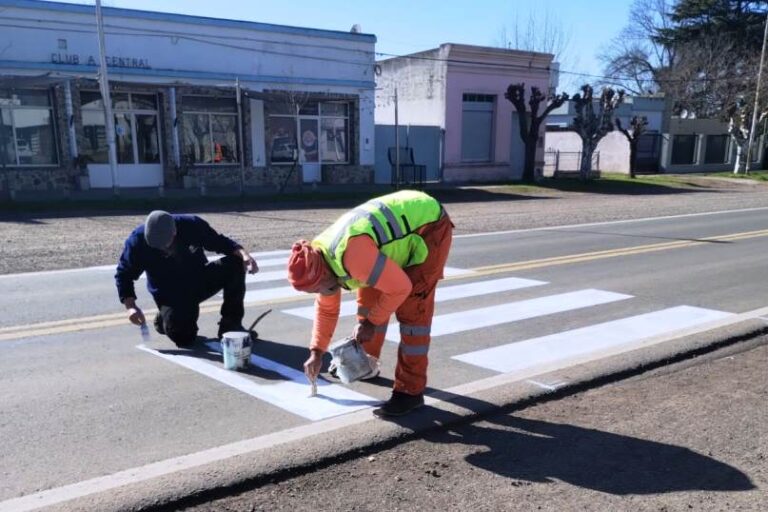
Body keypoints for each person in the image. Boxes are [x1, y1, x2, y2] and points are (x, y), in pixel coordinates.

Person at [287, 190, 453, 416]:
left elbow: (400, 288)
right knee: (368, 302)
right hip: (381, 243)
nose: (321, 293)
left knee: (413, 311)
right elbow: (327, 309)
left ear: (323, 274)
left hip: (429, 226)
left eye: (318, 288)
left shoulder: (352, 255)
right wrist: (316, 352)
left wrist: (372, 322)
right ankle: (367, 364)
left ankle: (410, 392)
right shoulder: (320, 259)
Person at [115, 211, 258, 347]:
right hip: (169, 293)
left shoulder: (192, 225)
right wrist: (131, 307)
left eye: (165, 245)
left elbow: (221, 242)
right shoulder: (136, 241)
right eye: (156, 246)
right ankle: (164, 318)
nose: (162, 250)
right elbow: (124, 274)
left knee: (236, 263)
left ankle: (231, 326)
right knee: (184, 339)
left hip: (197, 279)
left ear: (175, 232)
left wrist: (245, 256)